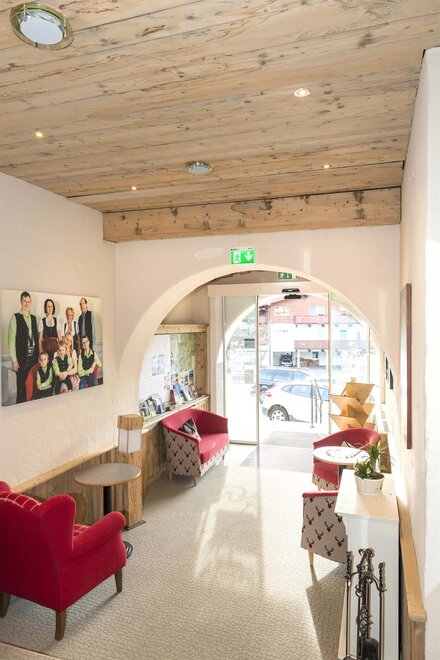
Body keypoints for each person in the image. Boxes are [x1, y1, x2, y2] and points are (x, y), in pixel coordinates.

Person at [8, 291, 38, 404]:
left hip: (33, 359)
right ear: (21, 301)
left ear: (31, 302)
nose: (27, 304)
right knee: (21, 389)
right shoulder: (15, 318)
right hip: (21, 359)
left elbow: (35, 338)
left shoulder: (34, 318)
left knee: (32, 387)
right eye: (24, 301)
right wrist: (14, 360)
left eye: (28, 301)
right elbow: (11, 340)